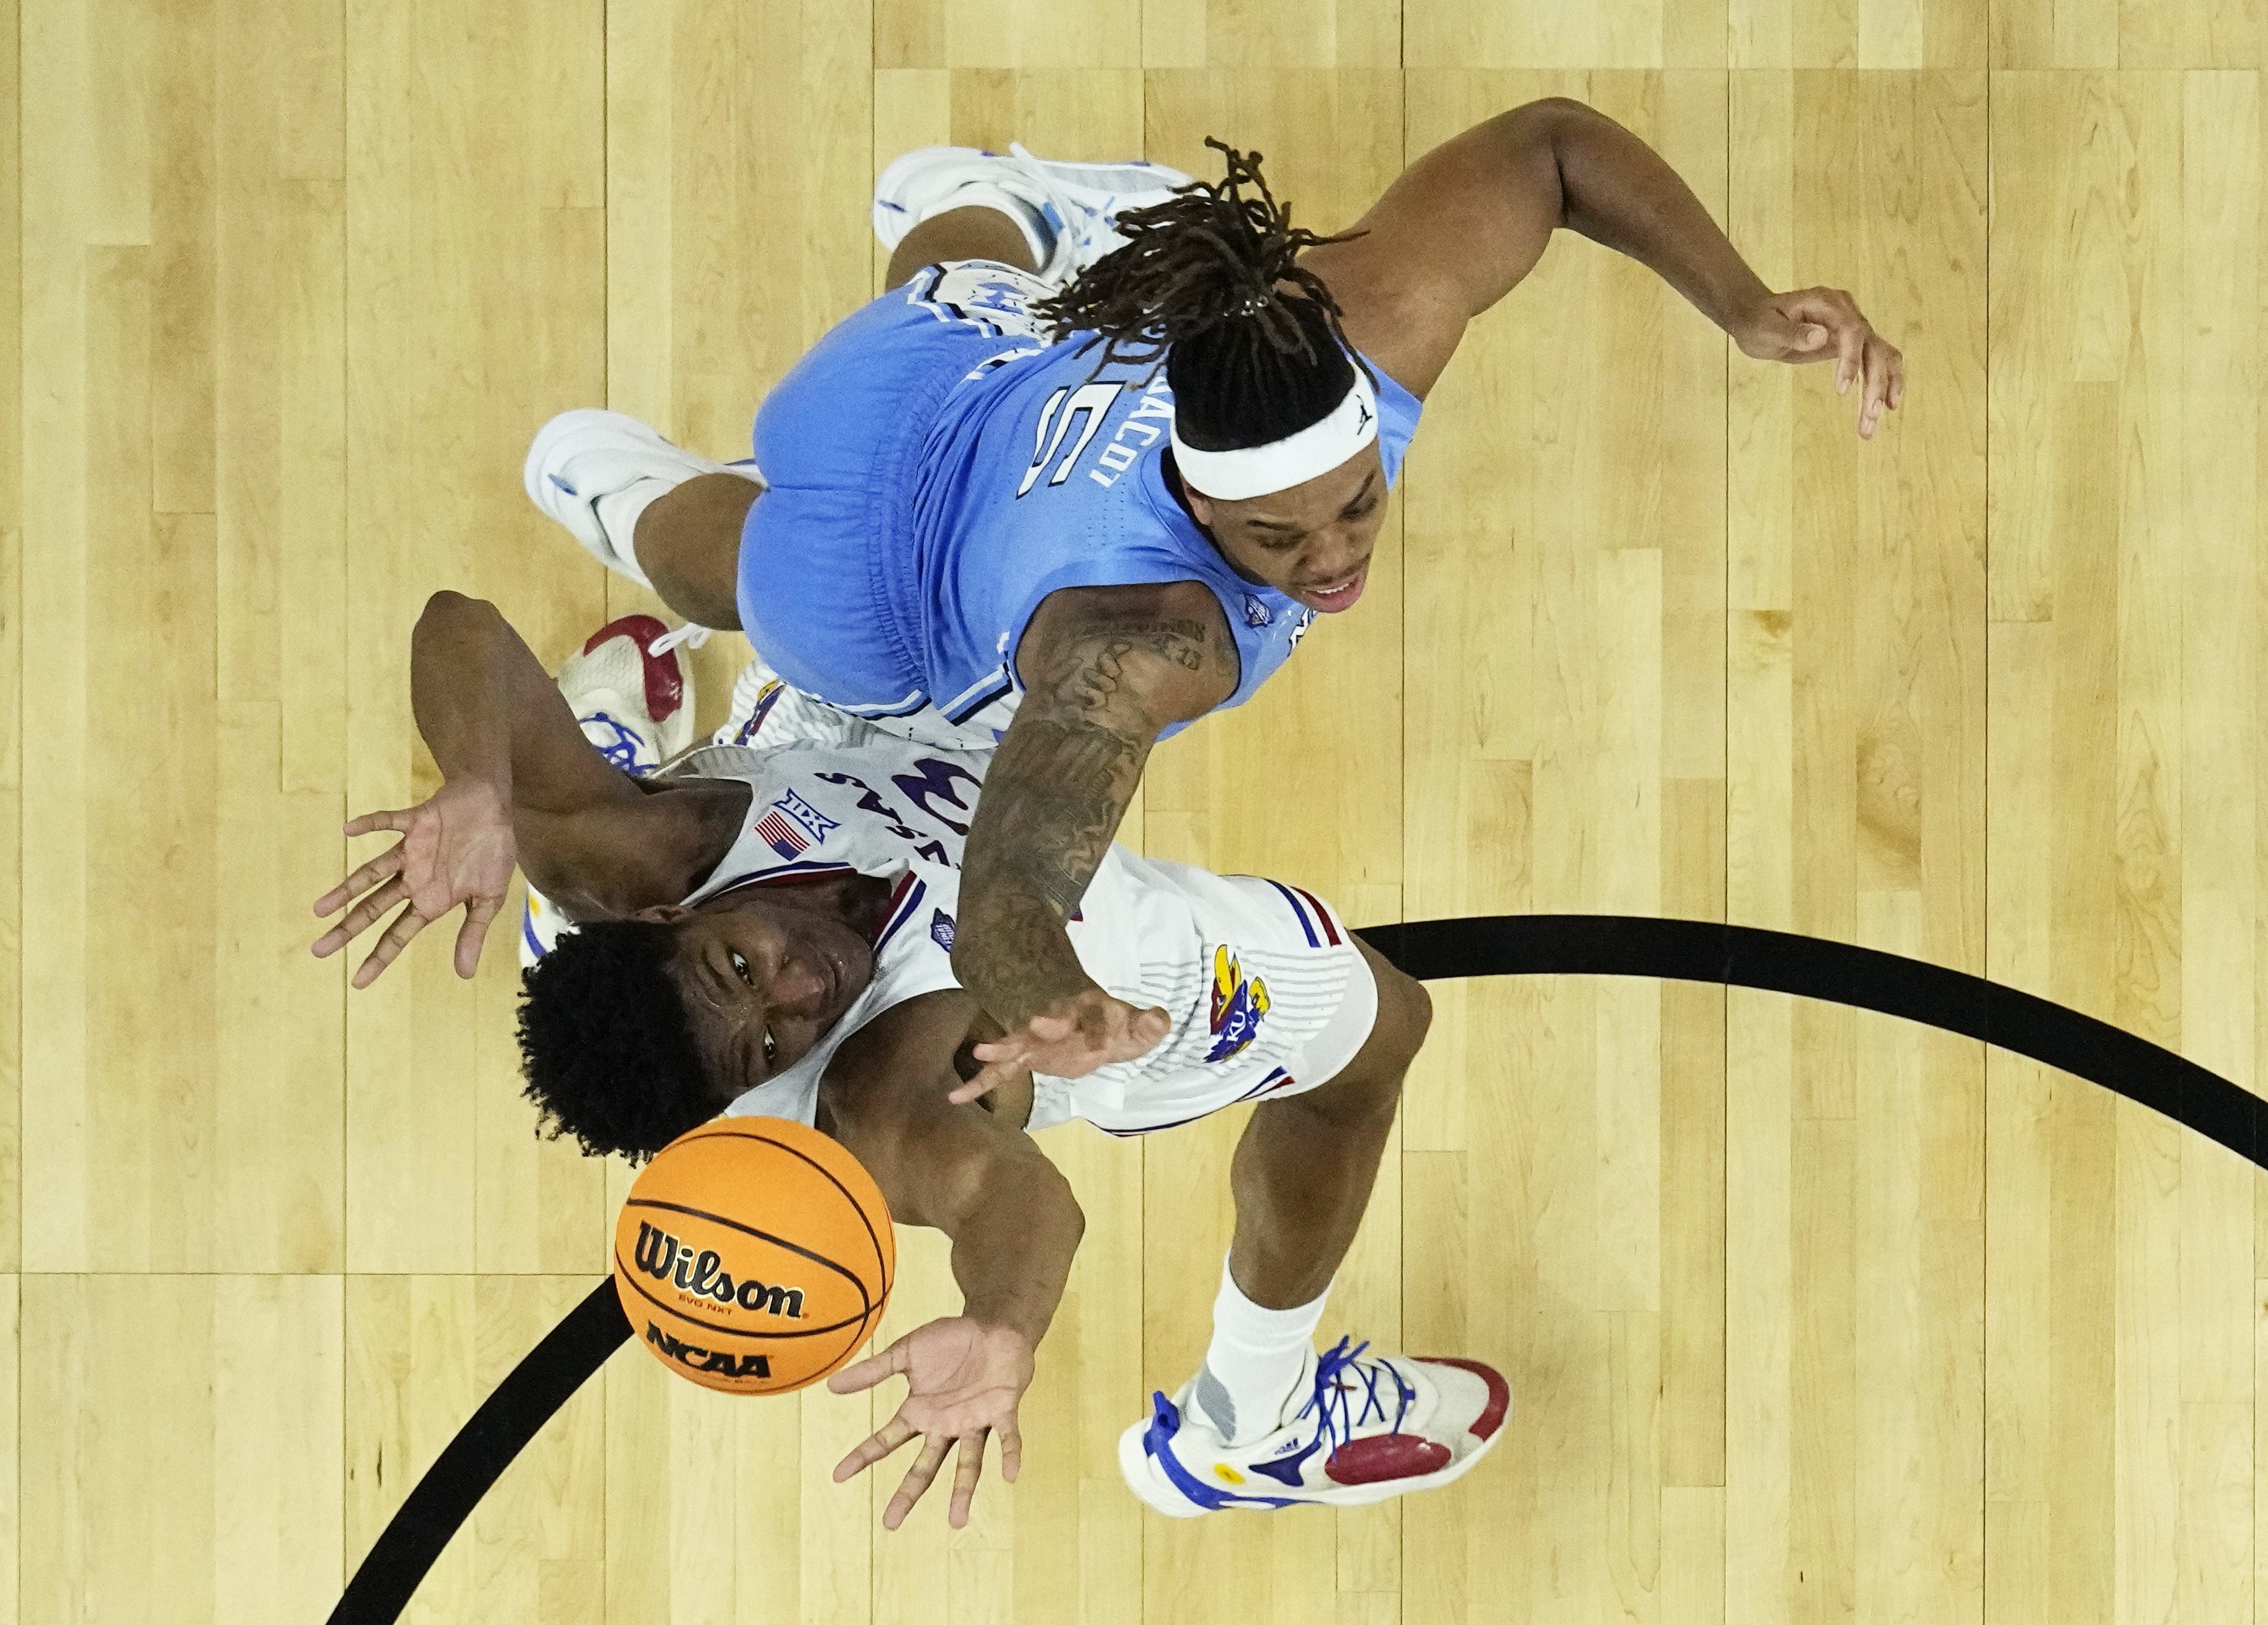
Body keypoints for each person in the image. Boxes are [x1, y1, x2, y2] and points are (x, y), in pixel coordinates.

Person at [517, 103, 1908, 1104]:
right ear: (1189, 504)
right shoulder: (1140, 639)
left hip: (939, 410)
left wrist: (1742, 303)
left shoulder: (1371, 319)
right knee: (773, 557)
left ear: (1375, 419)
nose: (1327, 562)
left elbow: (1548, 146)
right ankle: (611, 467)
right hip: (875, 590)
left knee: (903, 378)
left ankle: (602, 471)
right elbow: (1009, 873)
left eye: (1355, 505)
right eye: (1274, 537)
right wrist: (1044, 992)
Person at [311, 592, 1510, 1527]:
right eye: (771, 1037)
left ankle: (592, 775)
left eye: (742, 967)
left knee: (843, 560)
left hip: (868, 764)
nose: (799, 985)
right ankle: (1254, 1418)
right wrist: (1004, 1323)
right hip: (1075, 946)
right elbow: (1008, 1194)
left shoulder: (637, 859)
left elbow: (457, 627)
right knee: (1376, 1034)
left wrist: (479, 780)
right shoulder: (884, 1087)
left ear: (671, 917)